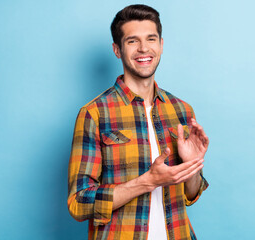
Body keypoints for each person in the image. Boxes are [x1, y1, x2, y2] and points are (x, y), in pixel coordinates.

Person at [68, 4, 209, 240]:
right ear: (117, 49)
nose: (144, 48)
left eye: (151, 39)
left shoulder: (182, 110)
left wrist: (193, 166)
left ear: (161, 45)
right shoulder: (94, 113)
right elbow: (78, 203)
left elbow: (191, 194)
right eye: (132, 41)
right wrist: (147, 182)